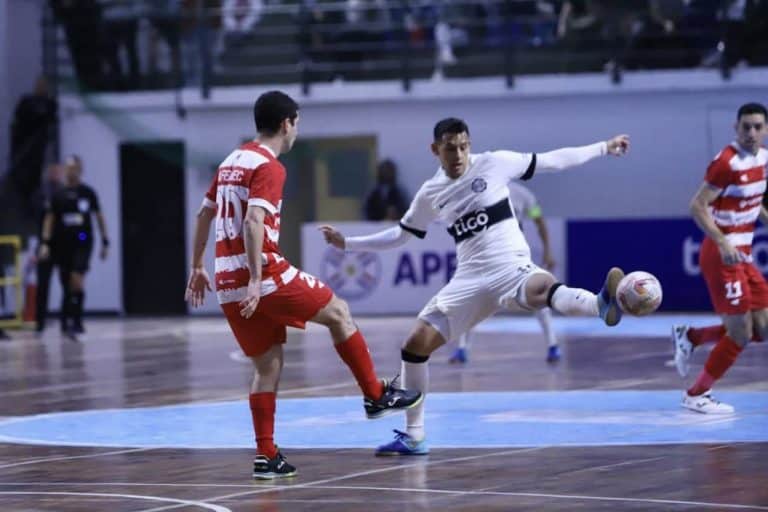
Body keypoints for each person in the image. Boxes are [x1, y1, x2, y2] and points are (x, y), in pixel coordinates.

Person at [320, 117, 630, 455]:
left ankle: (600, 304)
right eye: (450, 148)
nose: (458, 154)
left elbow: (554, 160)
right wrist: (348, 243)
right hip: (468, 280)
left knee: (544, 288)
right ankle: (415, 436)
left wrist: (603, 147)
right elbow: (401, 235)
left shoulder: (494, 163)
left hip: (511, 266)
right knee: (415, 345)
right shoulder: (430, 193)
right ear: (435, 149)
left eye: (464, 146)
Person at [184, 90, 422, 479]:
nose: (296, 130)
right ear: (286, 123)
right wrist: (259, 279)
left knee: (267, 363)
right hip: (261, 275)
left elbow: (204, 213)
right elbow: (251, 222)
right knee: (339, 313)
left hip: (226, 280)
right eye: (297, 123)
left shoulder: (230, 162)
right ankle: (376, 395)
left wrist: (197, 266)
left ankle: (267, 456)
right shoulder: (270, 167)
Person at [671, 102, 768, 414]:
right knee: (740, 332)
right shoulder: (726, 163)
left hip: (745, 255)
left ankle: (692, 336)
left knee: (762, 328)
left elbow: (754, 203)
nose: (751, 133)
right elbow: (697, 206)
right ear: (735, 128)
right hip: (721, 255)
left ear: (765, 129)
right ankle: (696, 394)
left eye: (757, 127)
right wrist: (722, 240)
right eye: (745, 127)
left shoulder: (765, 160)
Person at [449, 180, 560, 364]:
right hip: (487, 255)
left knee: (537, 295)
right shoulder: (479, 192)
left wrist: (548, 251)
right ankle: (461, 349)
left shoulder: (523, 195)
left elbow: (539, 220)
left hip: (515, 254)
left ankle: (553, 345)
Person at [39, 156, 109, 339]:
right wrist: (45, 243)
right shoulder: (58, 194)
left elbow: (99, 216)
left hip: (83, 240)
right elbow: (50, 219)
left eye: (75, 168)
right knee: (66, 283)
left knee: (77, 278)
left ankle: (76, 320)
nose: (72, 171)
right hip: (62, 244)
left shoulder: (88, 193)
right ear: (65, 170)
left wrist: (105, 241)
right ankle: (65, 320)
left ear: (81, 169)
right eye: (69, 168)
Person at [34, 163, 66, 333]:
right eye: (52, 172)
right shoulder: (41, 193)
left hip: (62, 245)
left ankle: (65, 321)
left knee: (66, 283)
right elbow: (38, 215)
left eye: (58, 172)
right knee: (43, 284)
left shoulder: (65, 193)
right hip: (45, 244)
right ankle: (40, 321)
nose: (56, 175)